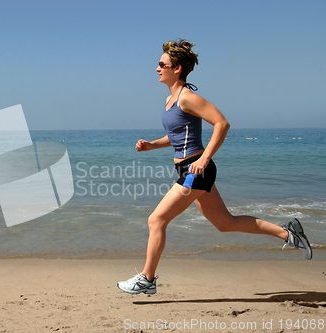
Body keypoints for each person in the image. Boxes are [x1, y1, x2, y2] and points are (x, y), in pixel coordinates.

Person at [117, 39, 313, 295]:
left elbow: (222, 124)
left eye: (162, 64)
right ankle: (289, 234)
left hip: (194, 171)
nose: (157, 68)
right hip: (189, 169)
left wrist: (204, 159)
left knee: (156, 220)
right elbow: (177, 137)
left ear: (177, 68)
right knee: (224, 223)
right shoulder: (170, 100)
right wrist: (152, 145)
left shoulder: (188, 98)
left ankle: (147, 279)